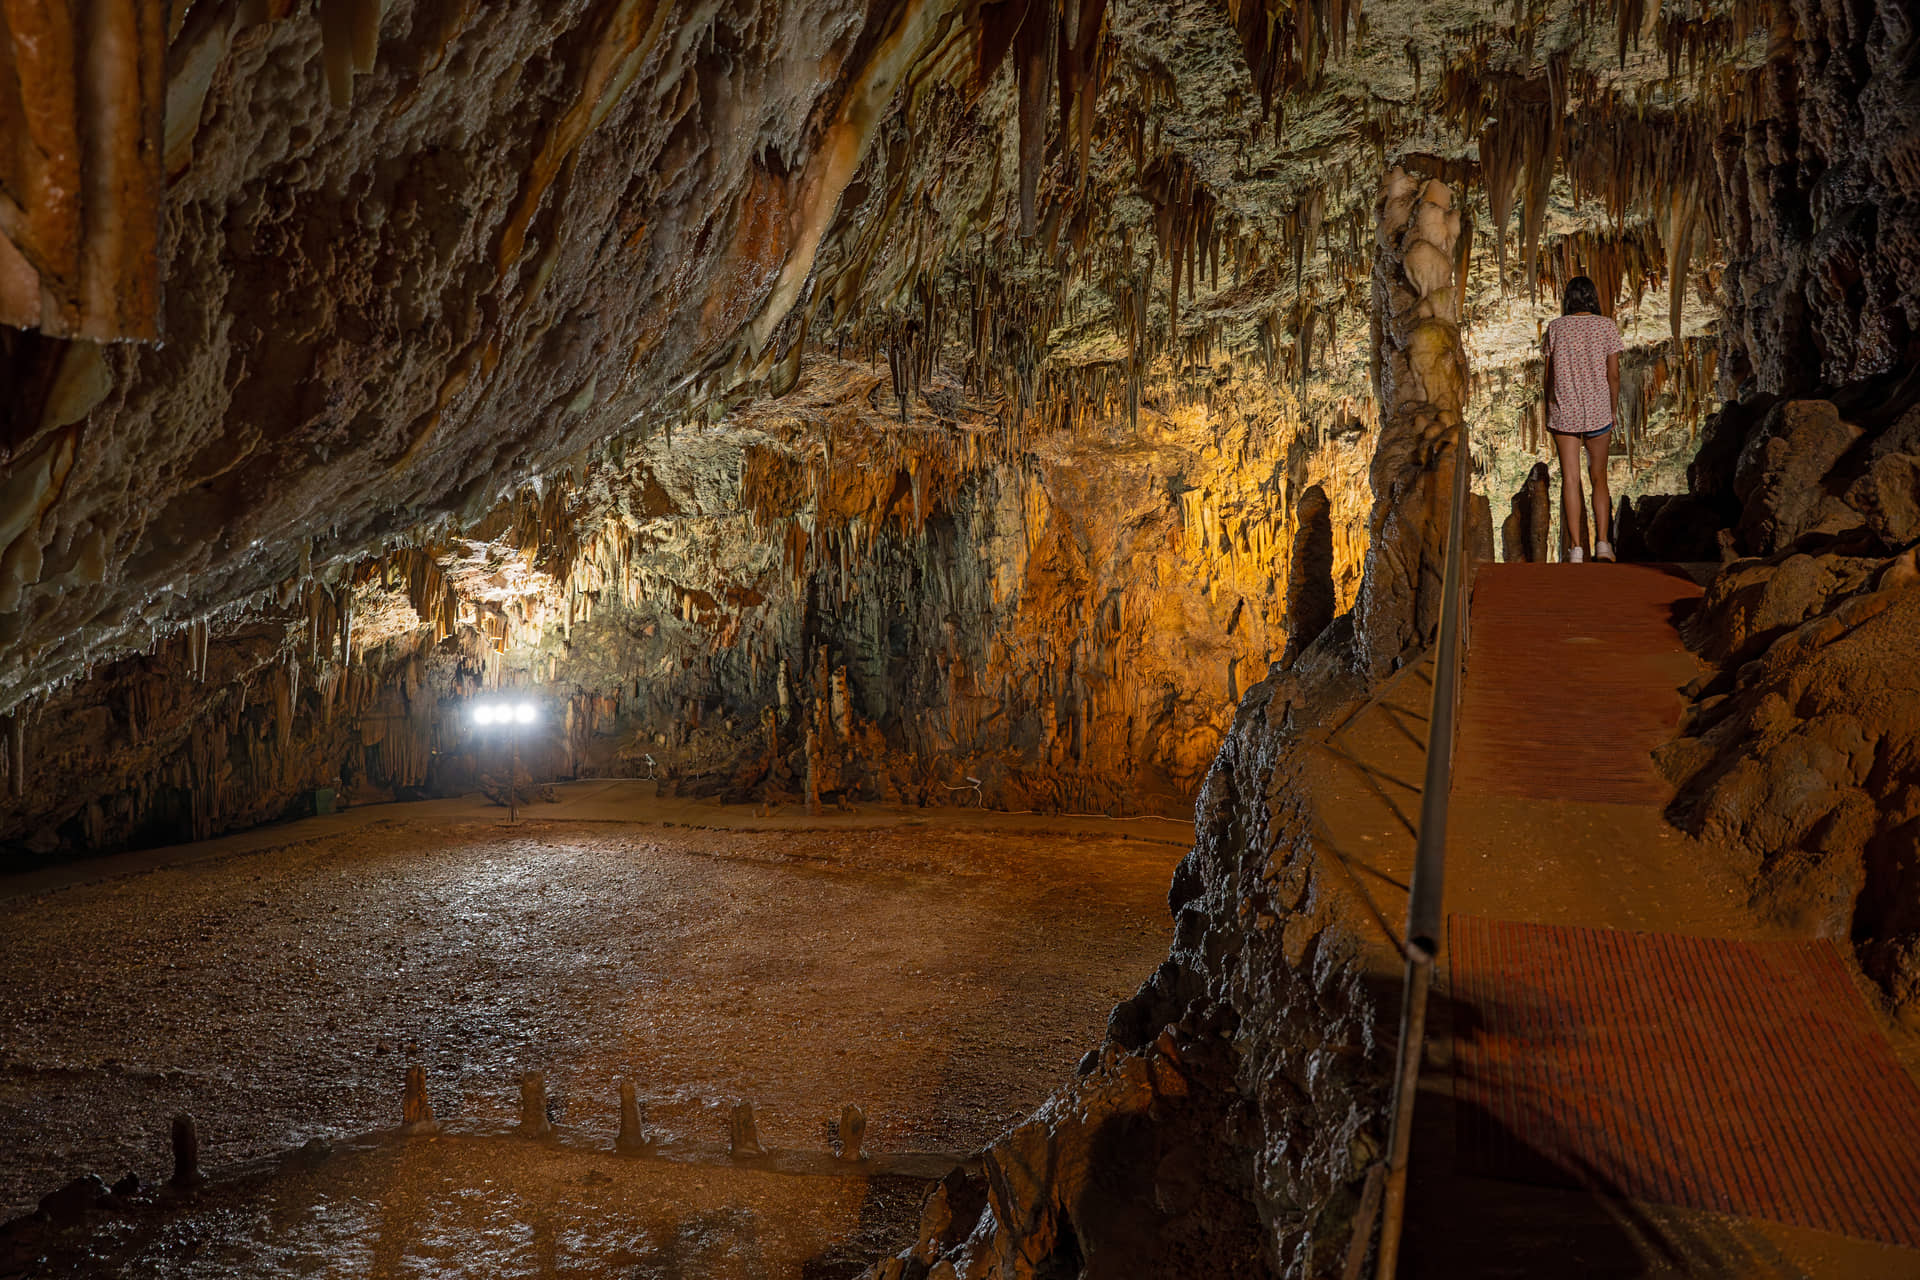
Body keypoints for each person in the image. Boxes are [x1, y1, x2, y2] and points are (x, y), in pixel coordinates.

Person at [1541, 275, 1623, 562]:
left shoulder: (1555, 328)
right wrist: (1612, 409)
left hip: (1565, 412)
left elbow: (1549, 376)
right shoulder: (1606, 326)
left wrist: (1548, 406)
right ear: (1592, 298)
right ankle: (1603, 544)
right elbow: (1613, 374)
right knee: (1599, 478)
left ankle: (1576, 549)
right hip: (1598, 411)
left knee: (1571, 479)